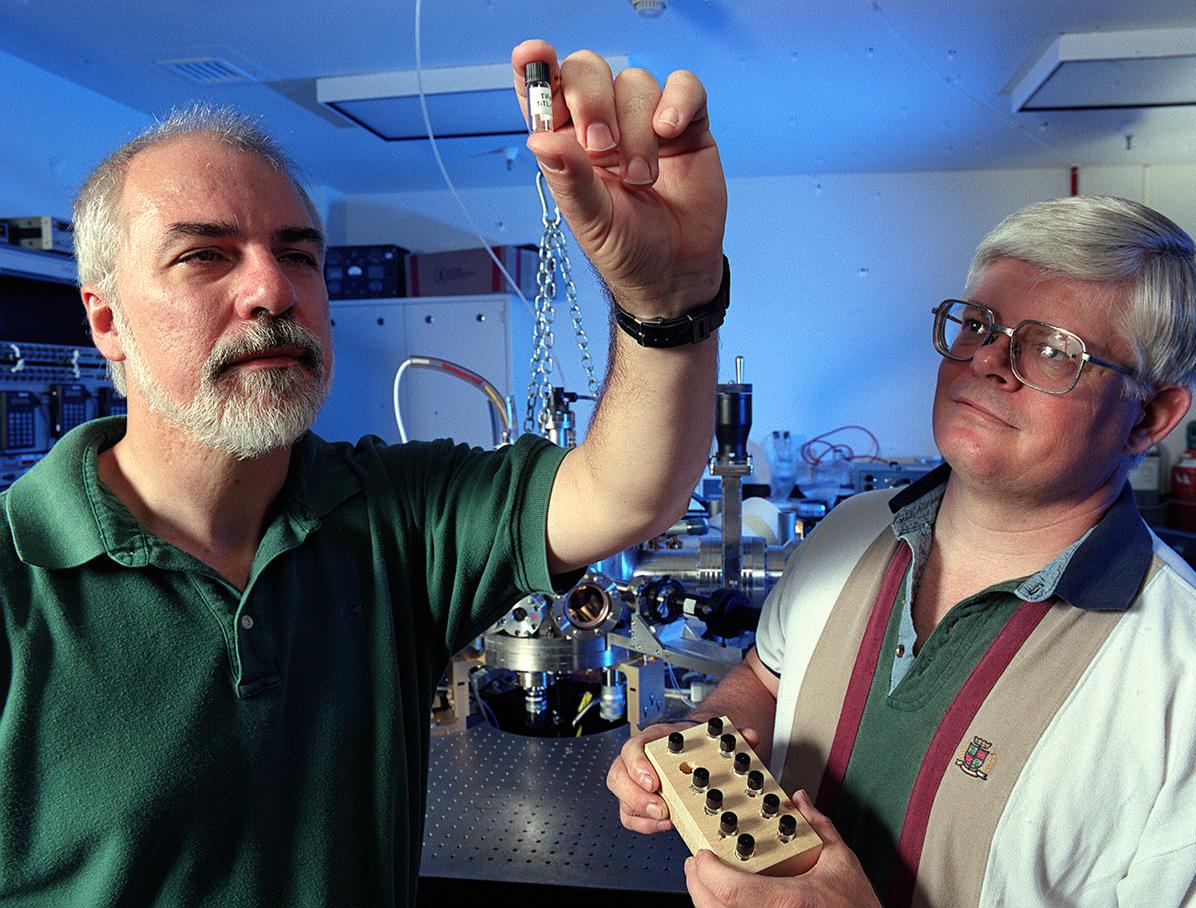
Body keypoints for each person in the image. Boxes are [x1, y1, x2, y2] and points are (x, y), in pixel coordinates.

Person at [0, 40, 728, 906]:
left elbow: (629, 492)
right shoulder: (17, 579)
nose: (274, 290)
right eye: (206, 256)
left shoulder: (394, 514)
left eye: (300, 253)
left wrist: (665, 299)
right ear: (107, 318)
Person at [609, 196, 1196, 907]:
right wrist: (690, 744)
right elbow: (769, 681)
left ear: (1150, 417)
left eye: (1053, 349)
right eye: (981, 325)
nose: (989, 360)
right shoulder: (850, 533)